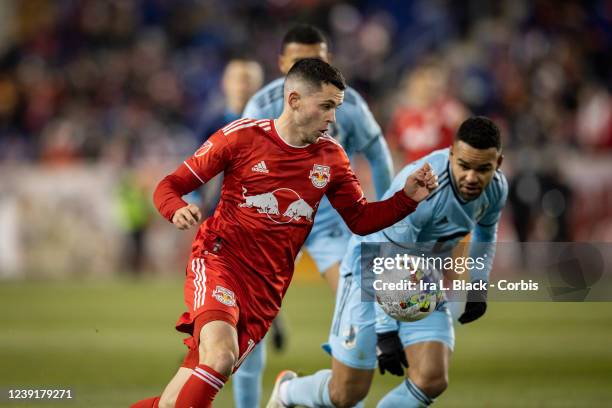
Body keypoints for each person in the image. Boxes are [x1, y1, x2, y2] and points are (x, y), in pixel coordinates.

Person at [130, 58, 438, 408]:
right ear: (293, 100)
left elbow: (360, 219)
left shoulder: (332, 158)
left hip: (268, 291)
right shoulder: (241, 137)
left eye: (336, 108)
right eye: (325, 106)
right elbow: (170, 185)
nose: (332, 118)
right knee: (219, 356)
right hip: (221, 261)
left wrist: (407, 198)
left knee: (174, 401)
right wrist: (176, 208)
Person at [268, 116, 508, 408]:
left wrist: (478, 286)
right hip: (369, 272)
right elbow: (385, 256)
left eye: (482, 169)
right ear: (451, 155)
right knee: (346, 394)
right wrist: (386, 332)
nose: (472, 177)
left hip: (420, 278)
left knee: (432, 378)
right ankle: (288, 391)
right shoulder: (425, 188)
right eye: (464, 166)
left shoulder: (497, 188)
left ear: (498, 164)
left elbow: (486, 229)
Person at [237, 24, 394, 407]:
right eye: (299, 61)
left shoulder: (349, 104)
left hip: (330, 224)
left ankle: (342, 397)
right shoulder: (260, 105)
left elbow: (378, 154)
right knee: (248, 327)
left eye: (317, 60)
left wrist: (389, 214)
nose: (309, 66)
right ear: (281, 65)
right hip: (273, 226)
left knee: (359, 311)